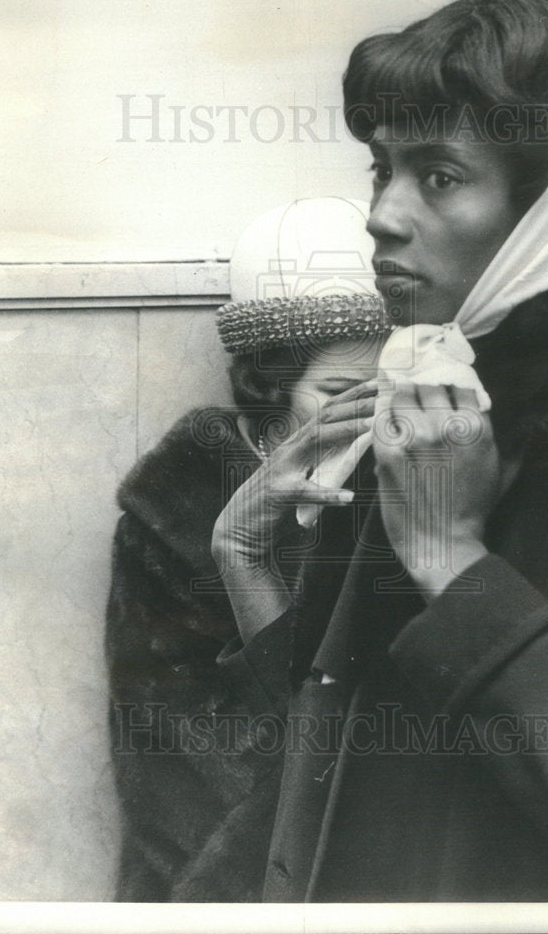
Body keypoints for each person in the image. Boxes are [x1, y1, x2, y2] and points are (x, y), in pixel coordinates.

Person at [217, 0, 548, 902]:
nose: (383, 213)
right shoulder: (440, 386)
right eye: (382, 168)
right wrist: (242, 553)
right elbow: (346, 730)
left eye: (439, 176)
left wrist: (453, 556)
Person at [105, 196, 390, 901]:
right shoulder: (169, 520)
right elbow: (176, 768)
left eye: (390, 392)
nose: (372, 417)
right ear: (269, 384)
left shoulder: (409, 489)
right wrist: (240, 558)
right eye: (342, 393)